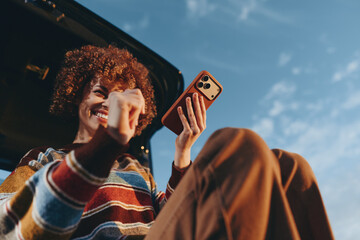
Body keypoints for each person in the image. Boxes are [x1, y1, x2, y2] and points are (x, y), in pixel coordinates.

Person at [0, 45, 334, 240]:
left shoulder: (135, 169)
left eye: (121, 96)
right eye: (101, 93)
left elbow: (169, 214)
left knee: (290, 168)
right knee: (238, 145)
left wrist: (183, 152)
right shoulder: (43, 160)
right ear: (76, 98)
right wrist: (107, 142)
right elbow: (8, 227)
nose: (110, 103)